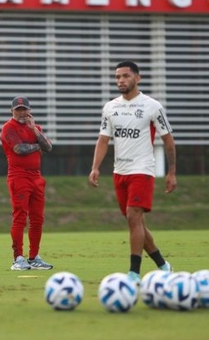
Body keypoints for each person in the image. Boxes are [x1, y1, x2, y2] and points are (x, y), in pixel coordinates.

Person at [88, 60, 176, 283]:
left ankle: (134, 273)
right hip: (120, 172)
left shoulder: (152, 106)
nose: (121, 80)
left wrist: (171, 172)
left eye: (125, 76)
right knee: (135, 222)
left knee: (134, 216)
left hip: (143, 170)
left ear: (138, 78)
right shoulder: (110, 107)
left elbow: (168, 141)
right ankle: (163, 266)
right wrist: (95, 167)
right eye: (118, 77)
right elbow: (103, 140)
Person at [0, 96, 54, 271]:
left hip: (36, 177)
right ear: (12, 111)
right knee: (20, 216)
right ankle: (18, 259)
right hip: (18, 176)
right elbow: (19, 149)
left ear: (30, 111)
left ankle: (34, 257)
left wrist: (35, 133)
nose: (22, 113)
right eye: (18, 109)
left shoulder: (35, 128)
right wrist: (38, 145)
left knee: (37, 219)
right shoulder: (8, 128)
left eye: (25, 109)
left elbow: (49, 147)